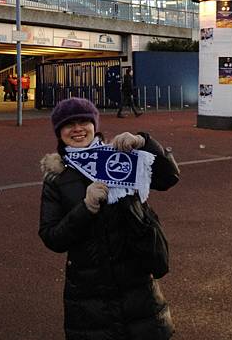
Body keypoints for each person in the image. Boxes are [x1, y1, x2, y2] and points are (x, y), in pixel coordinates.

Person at [39, 97, 179, 339]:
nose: (78, 129)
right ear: (59, 131)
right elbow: (52, 237)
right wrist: (86, 208)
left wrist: (145, 143)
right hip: (89, 294)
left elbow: (169, 178)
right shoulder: (57, 179)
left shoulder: (121, 155)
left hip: (137, 285)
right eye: (68, 124)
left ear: (95, 125)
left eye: (84, 121)